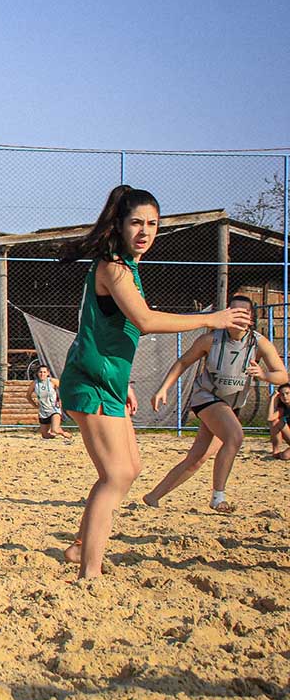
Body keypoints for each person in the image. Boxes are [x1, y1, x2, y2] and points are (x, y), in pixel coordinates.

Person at [57, 185, 250, 578]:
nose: (145, 231)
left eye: (152, 224)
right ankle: (89, 571)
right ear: (119, 225)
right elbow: (145, 321)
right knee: (116, 475)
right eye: (136, 223)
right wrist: (211, 319)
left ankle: (82, 546)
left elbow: (120, 327)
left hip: (108, 380)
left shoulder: (129, 266)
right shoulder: (113, 266)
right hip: (90, 380)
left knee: (131, 467)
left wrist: (124, 380)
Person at [143, 295, 288, 512]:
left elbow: (282, 376)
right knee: (235, 436)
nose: (238, 316)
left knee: (197, 458)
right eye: (234, 310)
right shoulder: (210, 340)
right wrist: (163, 388)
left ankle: (153, 496)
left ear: (251, 318)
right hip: (207, 398)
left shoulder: (259, 343)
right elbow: (183, 362)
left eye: (244, 312)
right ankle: (218, 498)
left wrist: (264, 375)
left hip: (231, 405)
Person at [28, 364, 71, 439]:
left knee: (55, 429)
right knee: (45, 436)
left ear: (48, 373)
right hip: (43, 411)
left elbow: (65, 390)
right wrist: (34, 405)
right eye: (40, 372)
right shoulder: (35, 383)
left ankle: (63, 433)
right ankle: (54, 434)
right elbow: (28, 396)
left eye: (44, 372)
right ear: (37, 373)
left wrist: (61, 400)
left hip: (54, 409)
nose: (42, 374)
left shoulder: (52, 381)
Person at [268, 382, 290, 460]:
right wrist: (272, 398)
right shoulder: (283, 409)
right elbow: (270, 418)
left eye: (287, 393)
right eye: (282, 394)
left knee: (285, 456)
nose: (285, 396)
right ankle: (276, 450)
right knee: (275, 422)